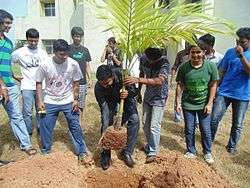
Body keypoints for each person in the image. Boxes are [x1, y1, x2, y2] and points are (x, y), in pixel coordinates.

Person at [36, 39, 91, 165]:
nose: (65, 56)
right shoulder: (45, 64)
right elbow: (38, 83)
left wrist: (75, 100)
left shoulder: (73, 64)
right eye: (61, 54)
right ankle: (46, 151)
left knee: (75, 126)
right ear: (54, 52)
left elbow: (76, 82)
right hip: (49, 100)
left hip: (68, 100)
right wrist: (39, 101)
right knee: (46, 127)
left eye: (66, 53)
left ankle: (81, 151)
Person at [124, 47, 170, 163]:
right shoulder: (143, 58)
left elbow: (160, 81)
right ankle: (150, 145)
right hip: (148, 95)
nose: (153, 63)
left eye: (156, 61)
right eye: (152, 61)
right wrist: (139, 91)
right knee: (145, 123)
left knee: (154, 125)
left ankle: (153, 152)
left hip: (160, 97)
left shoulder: (164, 62)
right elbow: (142, 72)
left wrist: (138, 80)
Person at [0, 9, 36, 155]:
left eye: (10, 23)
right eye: (7, 23)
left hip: (9, 85)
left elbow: (6, 63)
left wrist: (13, 77)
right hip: (2, 86)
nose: (9, 26)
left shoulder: (8, 42)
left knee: (16, 116)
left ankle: (26, 145)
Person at [210, 27, 250, 155]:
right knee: (214, 118)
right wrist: (215, 88)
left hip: (242, 95)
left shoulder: (243, 54)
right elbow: (221, 71)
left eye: (242, 42)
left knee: (237, 124)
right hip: (225, 91)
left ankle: (231, 146)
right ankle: (208, 140)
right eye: (237, 41)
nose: (238, 45)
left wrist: (241, 56)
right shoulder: (229, 52)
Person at [95, 65, 139, 170]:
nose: (104, 85)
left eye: (106, 83)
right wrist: (108, 120)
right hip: (108, 99)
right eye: (101, 83)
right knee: (106, 122)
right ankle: (106, 154)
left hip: (125, 98)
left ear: (113, 77)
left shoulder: (123, 75)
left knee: (134, 120)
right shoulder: (99, 88)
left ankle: (127, 152)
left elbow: (135, 91)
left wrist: (128, 93)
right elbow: (104, 108)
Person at [11, 28, 48, 136]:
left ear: (38, 40)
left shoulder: (42, 52)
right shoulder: (19, 52)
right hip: (26, 85)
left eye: (35, 41)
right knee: (27, 111)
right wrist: (14, 75)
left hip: (41, 86)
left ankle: (41, 130)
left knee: (40, 109)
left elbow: (47, 68)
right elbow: (8, 62)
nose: (33, 43)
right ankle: (28, 132)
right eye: (31, 40)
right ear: (26, 39)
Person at [68, 27, 92, 123]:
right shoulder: (68, 49)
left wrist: (90, 79)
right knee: (71, 103)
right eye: (75, 36)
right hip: (70, 82)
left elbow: (87, 65)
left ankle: (80, 124)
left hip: (82, 82)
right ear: (72, 36)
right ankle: (72, 123)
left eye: (79, 36)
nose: (77, 38)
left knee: (81, 104)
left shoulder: (85, 50)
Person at [170, 42, 191, 122]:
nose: (187, 45)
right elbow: (175, 66)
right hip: (181, 79)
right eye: (186, 43)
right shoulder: (181, 54)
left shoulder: (197, 53)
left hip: (193, 80)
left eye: (189, 43)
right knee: (178, 97)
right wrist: (172, 79)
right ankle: (178, 116)